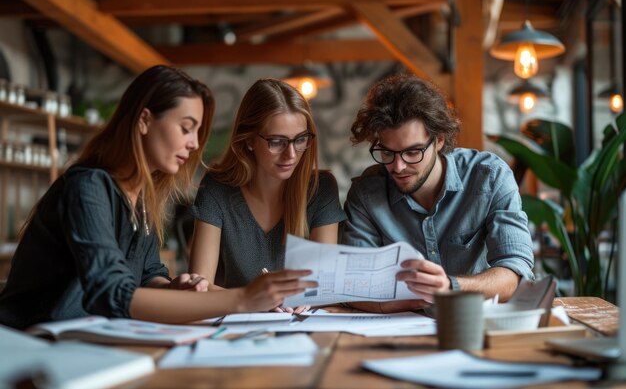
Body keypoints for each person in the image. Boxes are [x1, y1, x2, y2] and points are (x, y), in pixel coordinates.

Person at [0, 65, 315, 330]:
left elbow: (149, 275)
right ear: (144, 120)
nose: (193, 144)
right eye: (186, 128)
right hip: (31, 343)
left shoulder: (141, 197)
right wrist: (244, 299)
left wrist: (176, 288)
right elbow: (112, 294)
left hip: (84, 339)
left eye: (197, 132)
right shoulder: (88, 187)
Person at [341, 73, 534, 309]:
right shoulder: (366, 194)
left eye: (413, 152)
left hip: (478, 326)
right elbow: (353, 287)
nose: (398, 166)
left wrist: (450, 287)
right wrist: (417, 300)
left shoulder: (489, 177)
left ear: (439, 140)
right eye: (387, 153)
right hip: (401, 334)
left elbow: (516, 275)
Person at [188, 79, 345, 312]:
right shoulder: (216, 188)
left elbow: (325, 284)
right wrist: (256, 299)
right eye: (277, 142)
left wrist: (306, 297)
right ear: (249, 139)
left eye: (300, 139)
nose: (291, 154)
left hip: (304, 326)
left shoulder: (321, 189)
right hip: (237, 327)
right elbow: (199, 286)